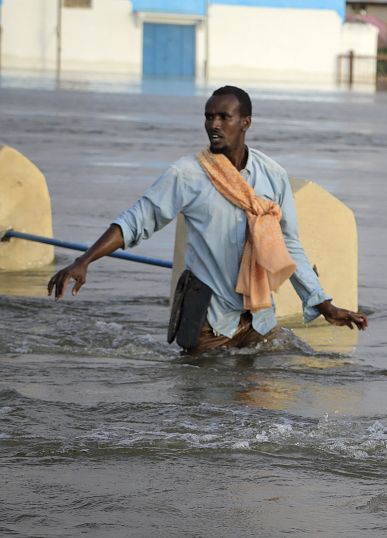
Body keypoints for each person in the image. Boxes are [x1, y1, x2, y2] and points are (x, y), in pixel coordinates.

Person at [47, 85, 367, 353]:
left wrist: (323, 304)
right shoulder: (187, 174)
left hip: (258, 320)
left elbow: (289, 245)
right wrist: (84, 260)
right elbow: (136, 220)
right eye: (208, 117)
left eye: (223, 117)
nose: (213, 124)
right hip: (208, 325)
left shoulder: (273, 176)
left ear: (245, 122)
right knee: (204, 416)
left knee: (266, 407)